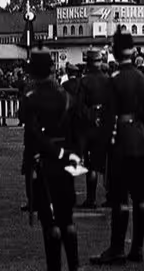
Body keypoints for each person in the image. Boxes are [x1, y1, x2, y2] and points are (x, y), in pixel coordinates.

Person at [20, 50, 86, 271]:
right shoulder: (67, 97)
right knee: (67, 220)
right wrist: (73, 155)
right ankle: (74, 266)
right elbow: (79, 133)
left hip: (43, 162)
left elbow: (32, 134)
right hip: (66, 162)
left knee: (50, 223)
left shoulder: (31, 98)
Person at [89, 33, 144, 265]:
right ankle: (137, 248)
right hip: (139, 140)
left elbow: (108, 118)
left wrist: (99, 150)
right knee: (141, 198)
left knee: (120, 198)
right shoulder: (141, 78)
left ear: (115, 52)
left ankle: (117, 248)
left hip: (121, 142)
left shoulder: (113, 79)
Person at [76, 49, 112, 209]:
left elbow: (79, 107)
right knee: (107, 163)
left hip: (90, 127)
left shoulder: (84, 81)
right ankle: (111, 196)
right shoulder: (108, 80)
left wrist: (91, 117)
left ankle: (91, 199)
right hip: (106, 124)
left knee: (91, 165)